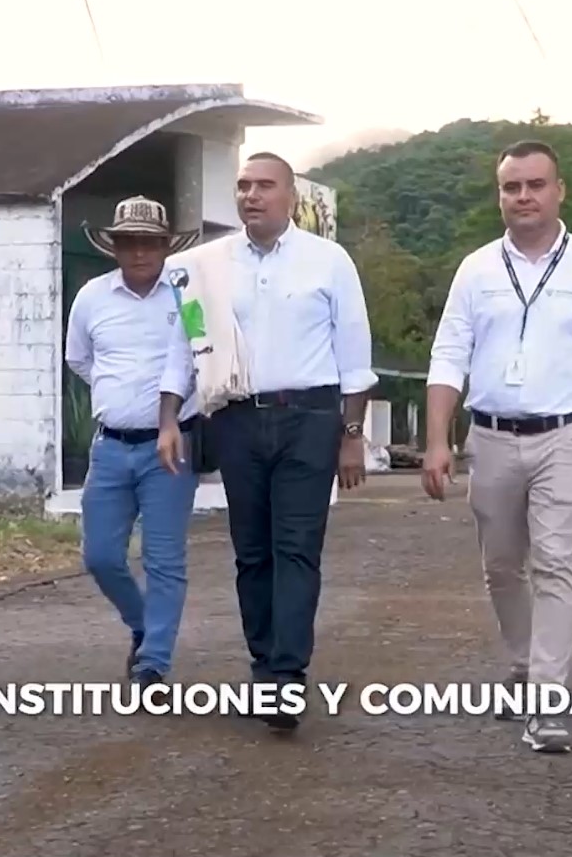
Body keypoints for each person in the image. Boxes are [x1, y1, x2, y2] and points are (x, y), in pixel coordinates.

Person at [422, 140, 572, 755]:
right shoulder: (476, 270)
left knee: (555, 562)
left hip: (566, 435)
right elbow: (448, 356)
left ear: (559, 191)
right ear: (500, 195)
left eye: (535, 185)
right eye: (512, 187)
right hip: (491, 436)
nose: (524, 196)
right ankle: (523, 664)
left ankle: (548, 700)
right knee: (500, 566)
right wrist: (437, 441)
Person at [156, 152, 377, 731]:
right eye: (243, 186)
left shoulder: (328, 261)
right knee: (252, 551)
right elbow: (186, 345)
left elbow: (355, 357)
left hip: (309, 418)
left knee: (296, 548)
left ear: (291, 196)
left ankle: (287, 676)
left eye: (264, 185)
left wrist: (352, 435)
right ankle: (263, 665)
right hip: (236, 421)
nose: (251, 195)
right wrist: (168, 418)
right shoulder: (207, 268)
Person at [66, 196, 204, 685]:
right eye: (128, 243)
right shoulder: (91, 297)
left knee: (164, 558)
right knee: (100, 556)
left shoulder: (189, 297)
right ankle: (144, 625)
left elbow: (202, 354)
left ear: (166, 246)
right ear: (114, 247)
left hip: (172, 446)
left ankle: (153, 662)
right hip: (110, 446)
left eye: (149, 243)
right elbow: (79, 359)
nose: (139, 253)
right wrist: (117, 396)